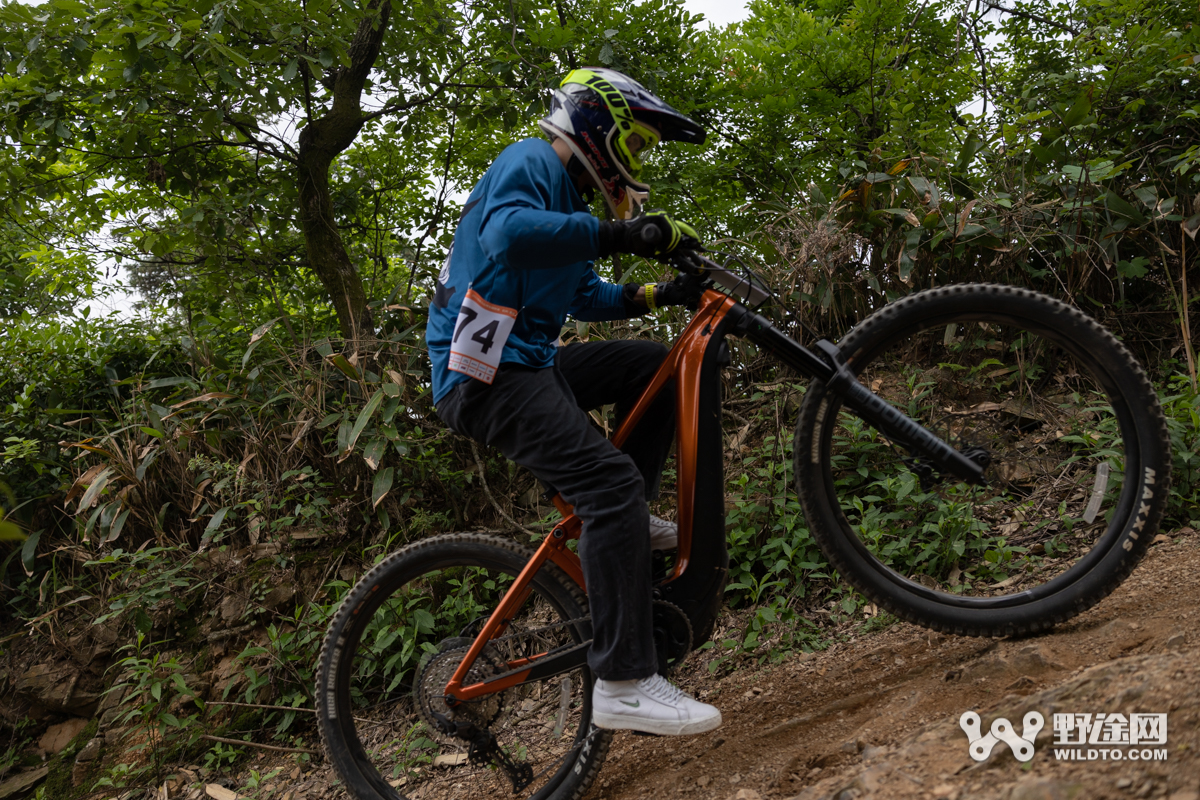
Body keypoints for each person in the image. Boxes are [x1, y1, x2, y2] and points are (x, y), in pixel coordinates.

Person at [427, 68, 722, 737]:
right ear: (601, 127)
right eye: (637, 144)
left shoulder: (566, 202)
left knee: (653, 363)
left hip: (526, 364)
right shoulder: (530, 161)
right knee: (609, 483)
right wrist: (628, 235)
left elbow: (585, 294)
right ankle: (623, 681)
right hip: (483, 374)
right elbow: (506, 236)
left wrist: (655, 295)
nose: (638, 161)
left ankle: (617, 520)